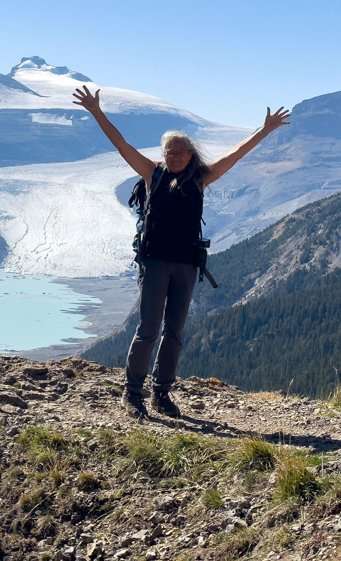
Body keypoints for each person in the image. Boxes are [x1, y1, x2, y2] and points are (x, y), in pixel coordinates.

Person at [72, 85, 290, 419]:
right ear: (163, 155)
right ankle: (132, 393)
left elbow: (237, 154)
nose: (174, 157)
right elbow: (121, 145)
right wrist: (96, 112)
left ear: (190, 155)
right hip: (155, 262)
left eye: (179, 153)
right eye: (169, 152)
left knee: (174, 331)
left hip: (186, 264)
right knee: (148, 328)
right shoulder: (152, 174)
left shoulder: (201, 178)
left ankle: (161, 392)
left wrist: (265, 129)